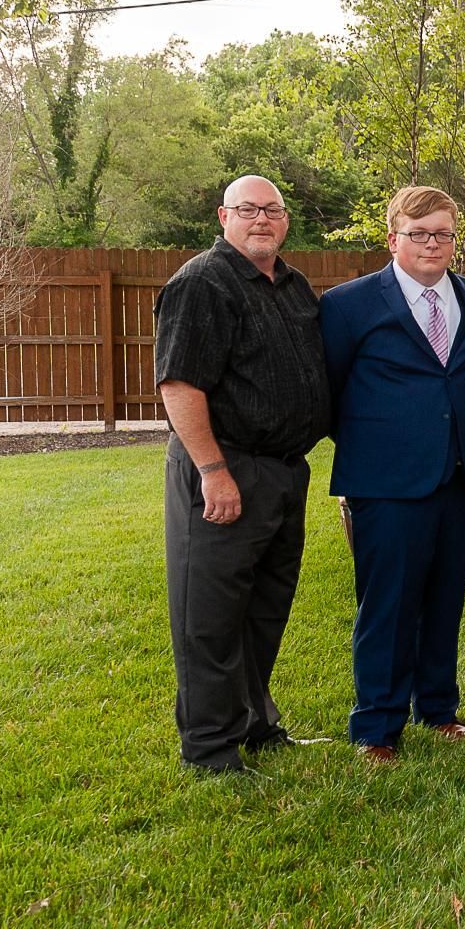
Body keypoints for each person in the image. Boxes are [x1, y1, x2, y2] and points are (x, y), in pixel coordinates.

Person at [154, 174, 329, 774]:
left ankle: (256, 724)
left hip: (283, 473)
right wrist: (213, 471)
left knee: (265, 607)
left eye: (273, 210)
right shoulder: (203, 282)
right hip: (226, 469)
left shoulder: (291, 284)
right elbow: (180, 385)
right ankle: (209, 748)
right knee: (211, 614)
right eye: (248, 209)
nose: (262, 219)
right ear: (222, 217)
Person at [319, 186, 465, 763]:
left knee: (446, 597)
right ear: (393, 237)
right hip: (387, 480)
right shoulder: (348, 304)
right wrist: (373, 451)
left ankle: (439, 709)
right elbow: (329, 391)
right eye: (419, 234)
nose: (432, 244)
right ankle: (376, 726)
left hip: (462, 475)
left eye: (444, 234)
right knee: (389, 605)